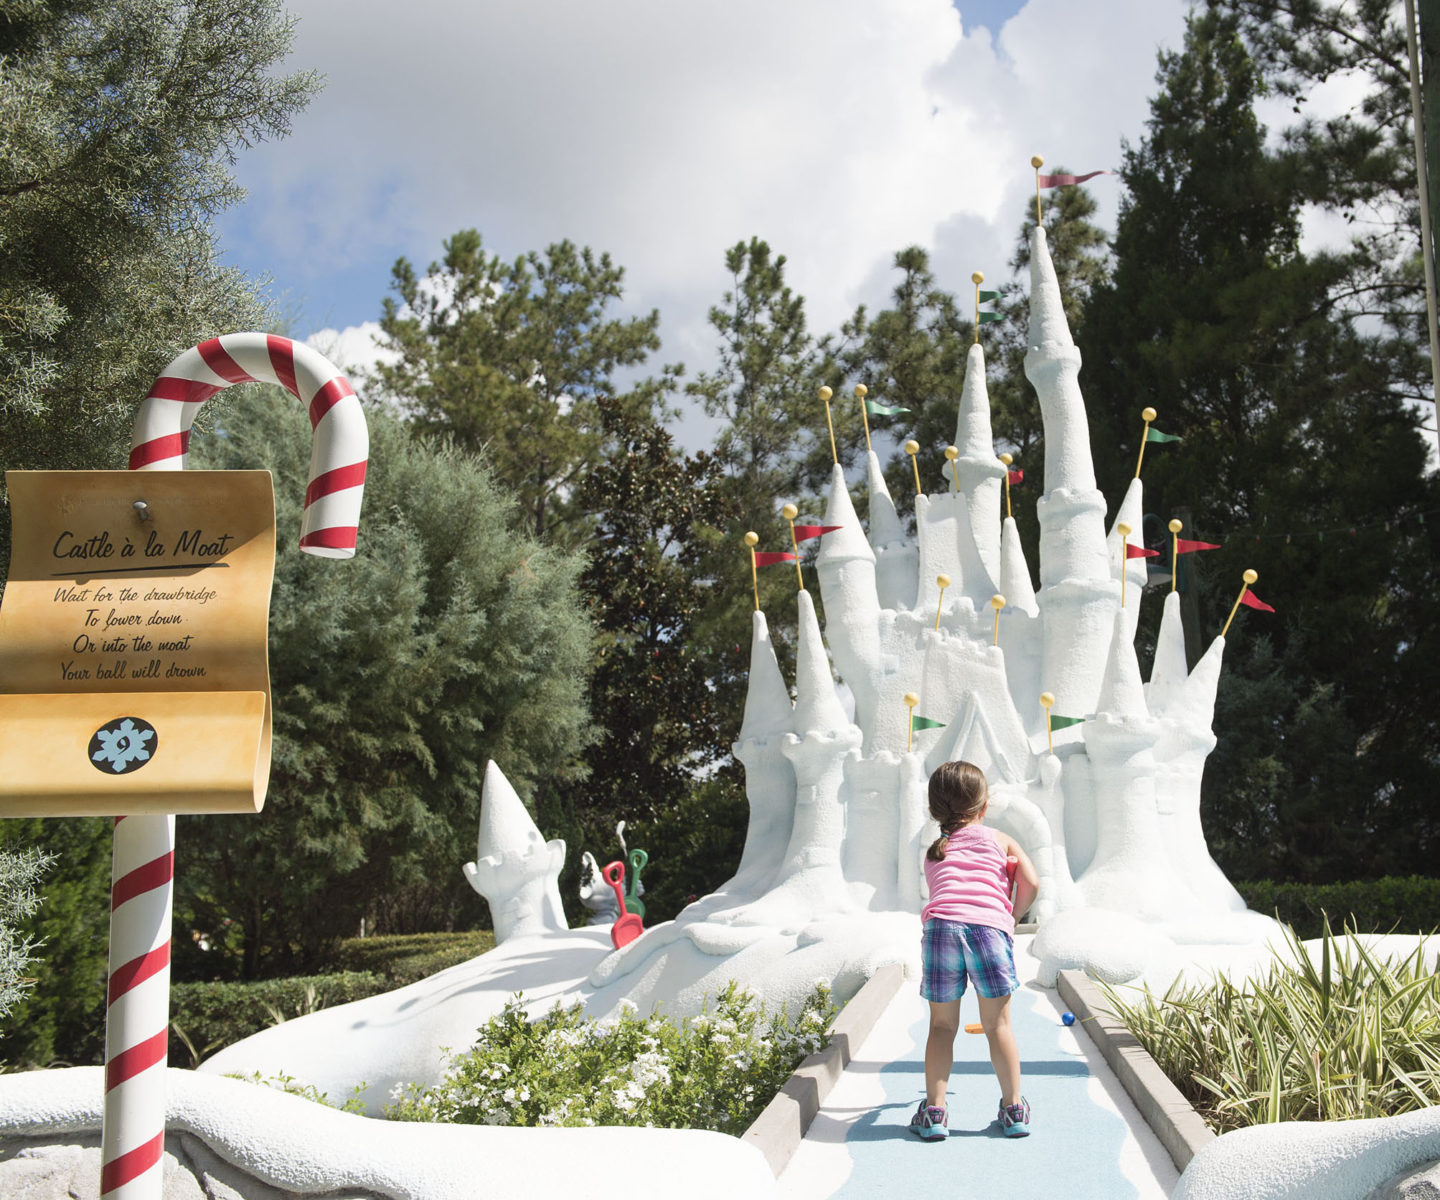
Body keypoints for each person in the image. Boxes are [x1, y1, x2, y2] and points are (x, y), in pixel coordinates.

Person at [908, 760, 1038, 1142]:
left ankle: (934, 1111)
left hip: (941, 929)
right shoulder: (1002, 840)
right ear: (984, 807)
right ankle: (1013, 1107)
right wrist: (1010, 916)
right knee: (998, 1025)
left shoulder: (935, 852)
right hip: (988, 929)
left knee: (942, 1026)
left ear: (935, 810)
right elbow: (1030, 882)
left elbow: (948, 893)